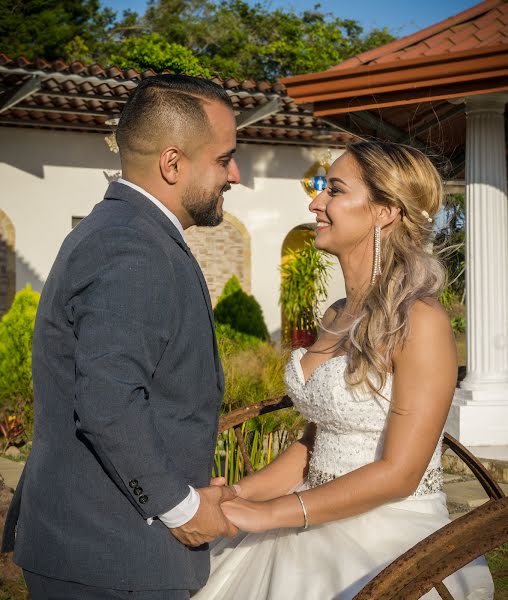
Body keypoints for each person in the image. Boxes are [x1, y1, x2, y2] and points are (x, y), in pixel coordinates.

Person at [193, 141, 495, 600]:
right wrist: (240, 494)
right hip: (308, 505)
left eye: (333, 190)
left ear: (385, 211)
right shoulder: (337, 313)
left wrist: (272, 514)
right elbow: (316, 443)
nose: (315, 203)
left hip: (384, 534)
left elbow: (400, 473)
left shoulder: (421, 321)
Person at [1, 74, 242, 599]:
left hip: (102, 546)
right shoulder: (133, 246)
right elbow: (108, 400)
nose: (236, 174)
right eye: (224, 158)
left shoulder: (123, 231)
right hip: (112, 555)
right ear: (172, 164)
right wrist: (181, 507)